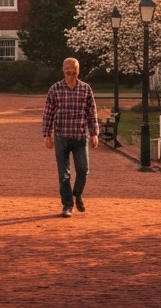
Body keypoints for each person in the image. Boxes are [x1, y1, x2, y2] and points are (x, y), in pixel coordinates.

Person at [41, 57, 99, 218]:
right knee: (64, 174)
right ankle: (67, 205)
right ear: (62, 69)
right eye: (66, 66)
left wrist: (94, 133)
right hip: (61, 136)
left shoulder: (86, 89)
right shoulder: (55, 89)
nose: (69, 69)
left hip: (80, 136)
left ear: (78, 70)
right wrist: (47, 135)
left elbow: (91, 113)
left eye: (72, 67)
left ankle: (77, 193)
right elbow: (48, 113)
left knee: (83, 170)